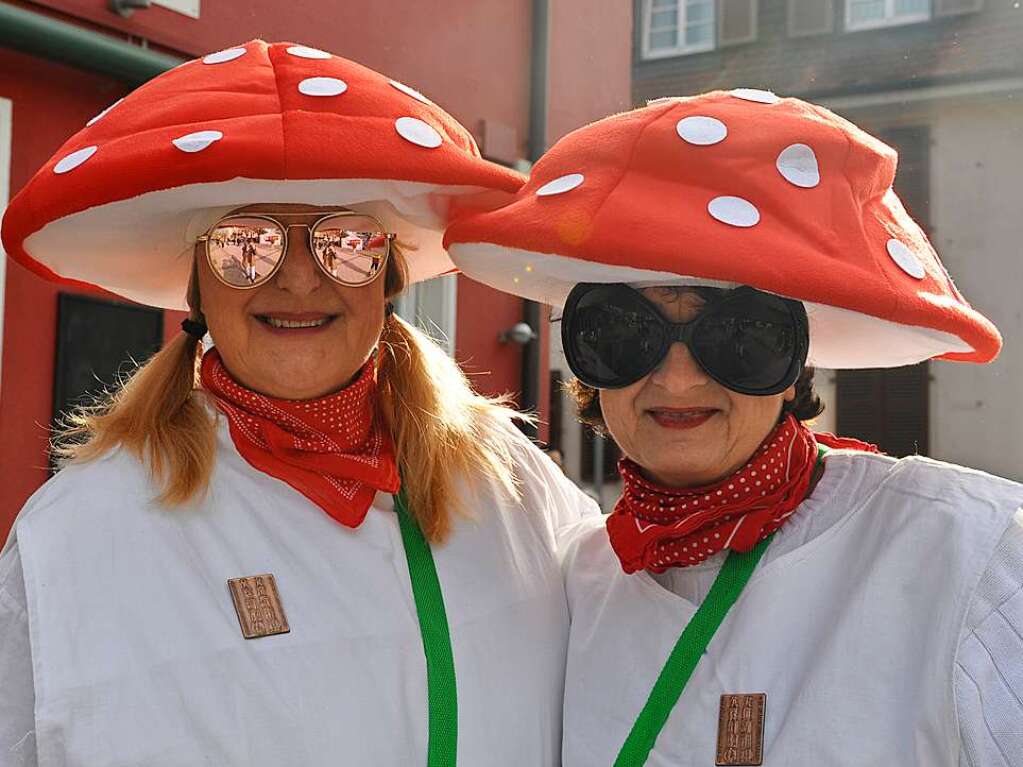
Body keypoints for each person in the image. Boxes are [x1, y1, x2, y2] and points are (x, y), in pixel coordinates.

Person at [0, 40, 597, 766]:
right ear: (197, 288)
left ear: (388, 278)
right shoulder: (77, 534)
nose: (298, 279)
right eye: (245, 245)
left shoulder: (511, 486)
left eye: (343, 243)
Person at [444, 90, 1023, 765]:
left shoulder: (970, 552)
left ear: (795, 362)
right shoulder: (578, 583)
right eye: (623, 332)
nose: (678, 379)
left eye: (739, 335)